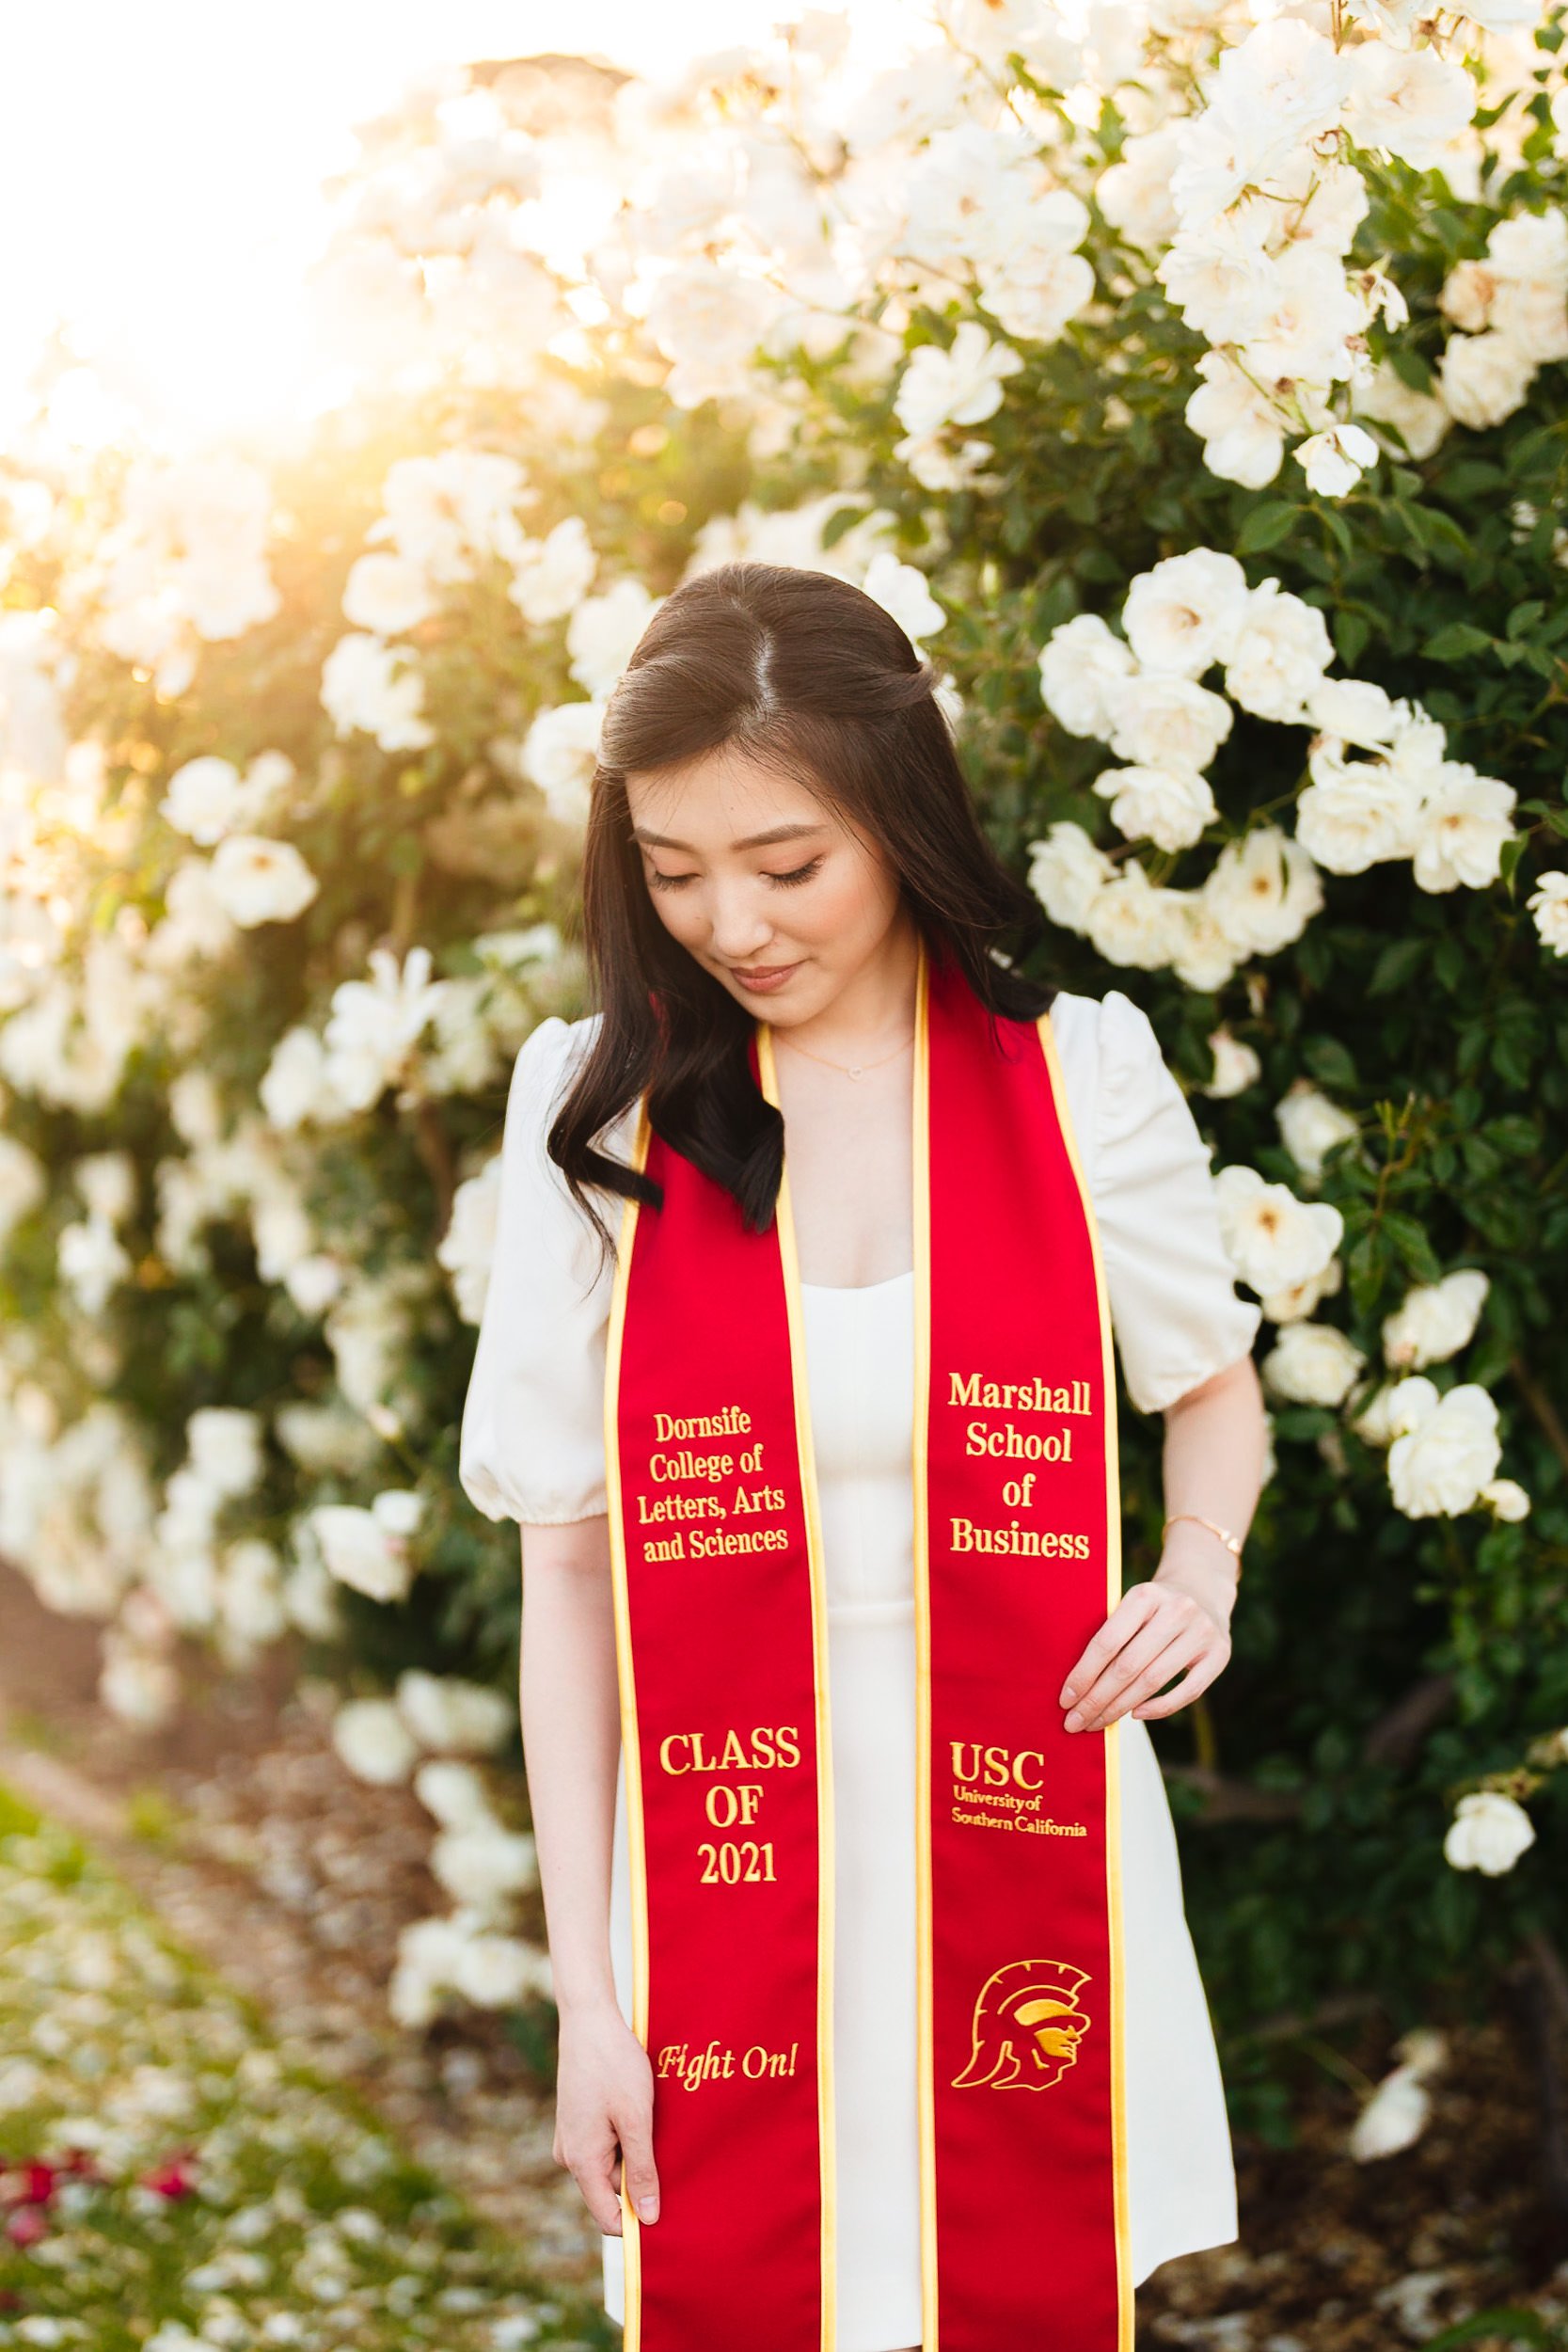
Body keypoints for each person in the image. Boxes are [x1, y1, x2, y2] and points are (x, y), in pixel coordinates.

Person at [459, 560, 1269, 2352]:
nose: (730, 923)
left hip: (1024, 1824)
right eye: (674, 873)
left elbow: (1209, 1387)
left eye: (787, 864)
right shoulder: (591, 1113)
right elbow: (571, 1584)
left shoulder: (1079, 1079)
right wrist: (589, 1995)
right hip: (720, 1854)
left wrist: (1195, 1572)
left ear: (901, 816)